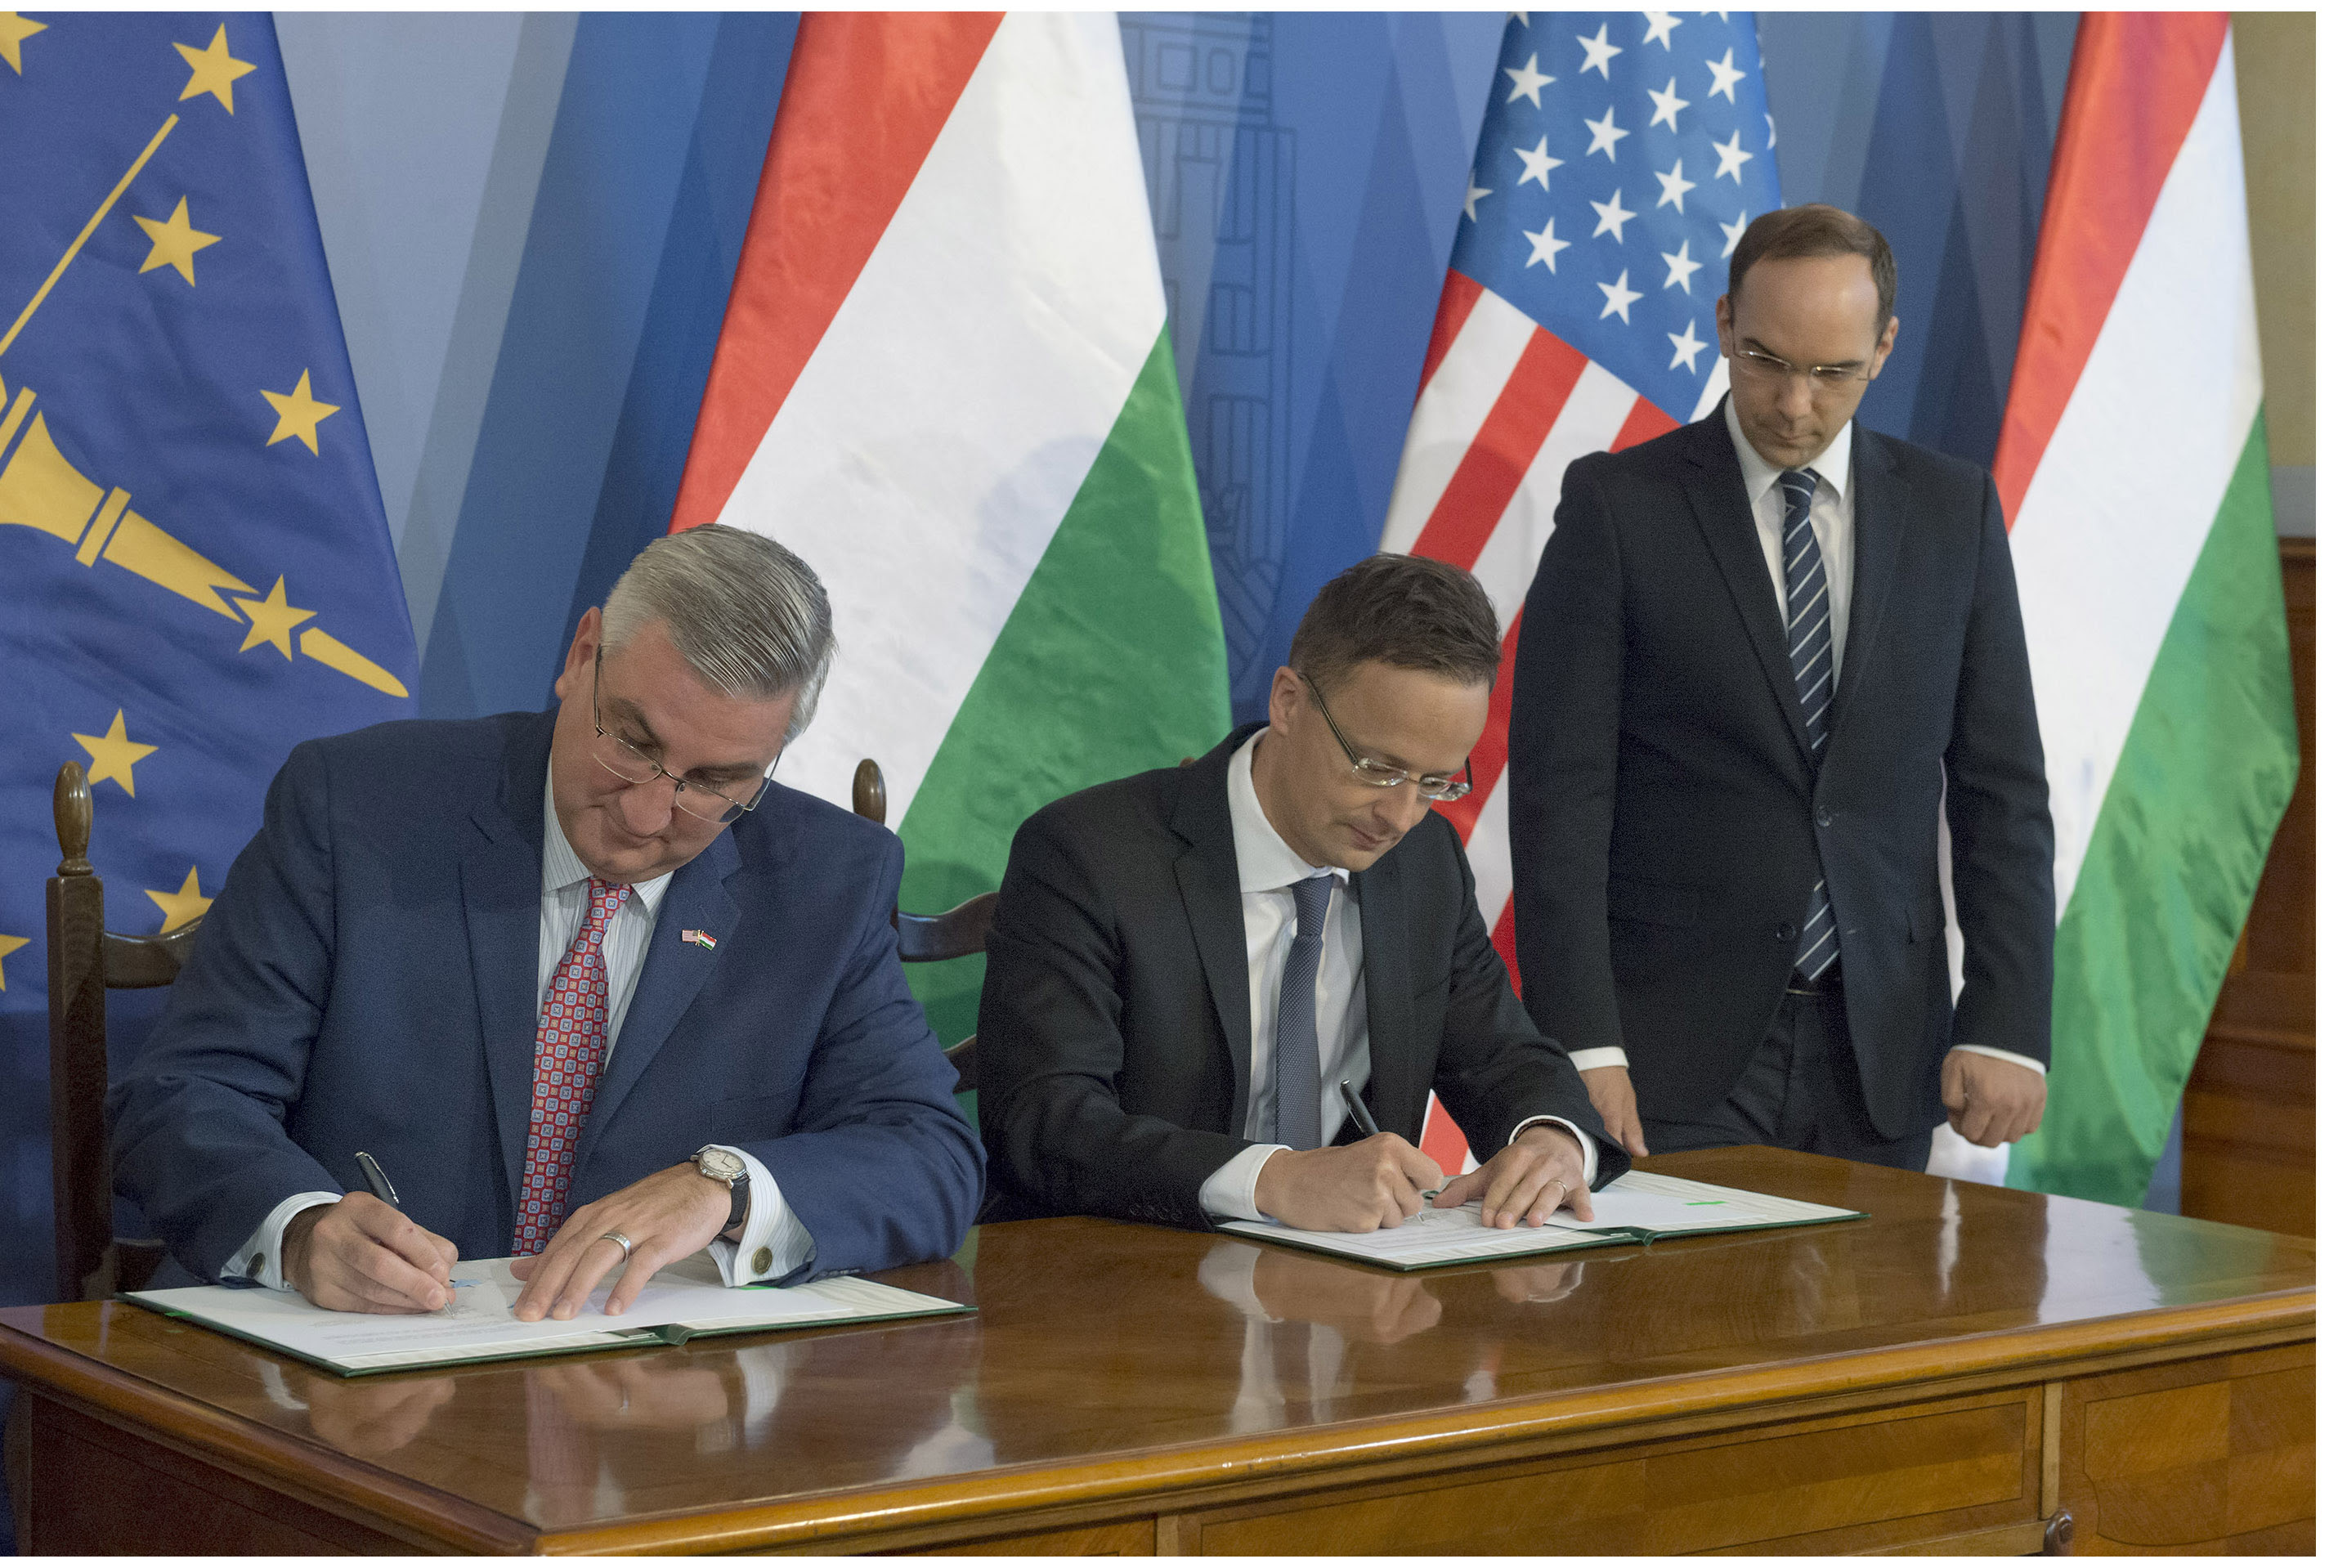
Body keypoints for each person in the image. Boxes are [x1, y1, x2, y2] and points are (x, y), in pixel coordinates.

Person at [110, 525, 984, 1319]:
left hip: (639, 1401)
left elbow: (932, 1154)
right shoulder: (359, 809)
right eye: (632, 742)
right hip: (351, 1365)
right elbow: (185, 1093)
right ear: (583, 654)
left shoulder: (827, 879)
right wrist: (301, 1231)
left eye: (714, 783)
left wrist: (729, 1189)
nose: (647, 814)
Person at [1508, 204, 2056, 1173]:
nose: (1795, 404)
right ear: (1725, 323)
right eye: (1765, 360)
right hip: (1668, 1054)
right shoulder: (1619, 508)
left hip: (1881, 1052)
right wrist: (1583, 1044)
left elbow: (2001, 790)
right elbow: (1562, 800)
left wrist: (2007, 1022)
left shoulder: (1953, 512)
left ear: (1884, 348)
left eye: (1833, 372)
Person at [978, 554, 1628, 1234]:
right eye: (1377, 768)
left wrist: (1552, 1140)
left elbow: (1504, 1057)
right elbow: (1043, 1121)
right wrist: (1272, 1180)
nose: (1399, 816)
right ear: (1288, 702)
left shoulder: (1424, 863)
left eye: (1435, 783)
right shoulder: (1089, 854)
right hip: (1127, 1261)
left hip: (1353, 1275)